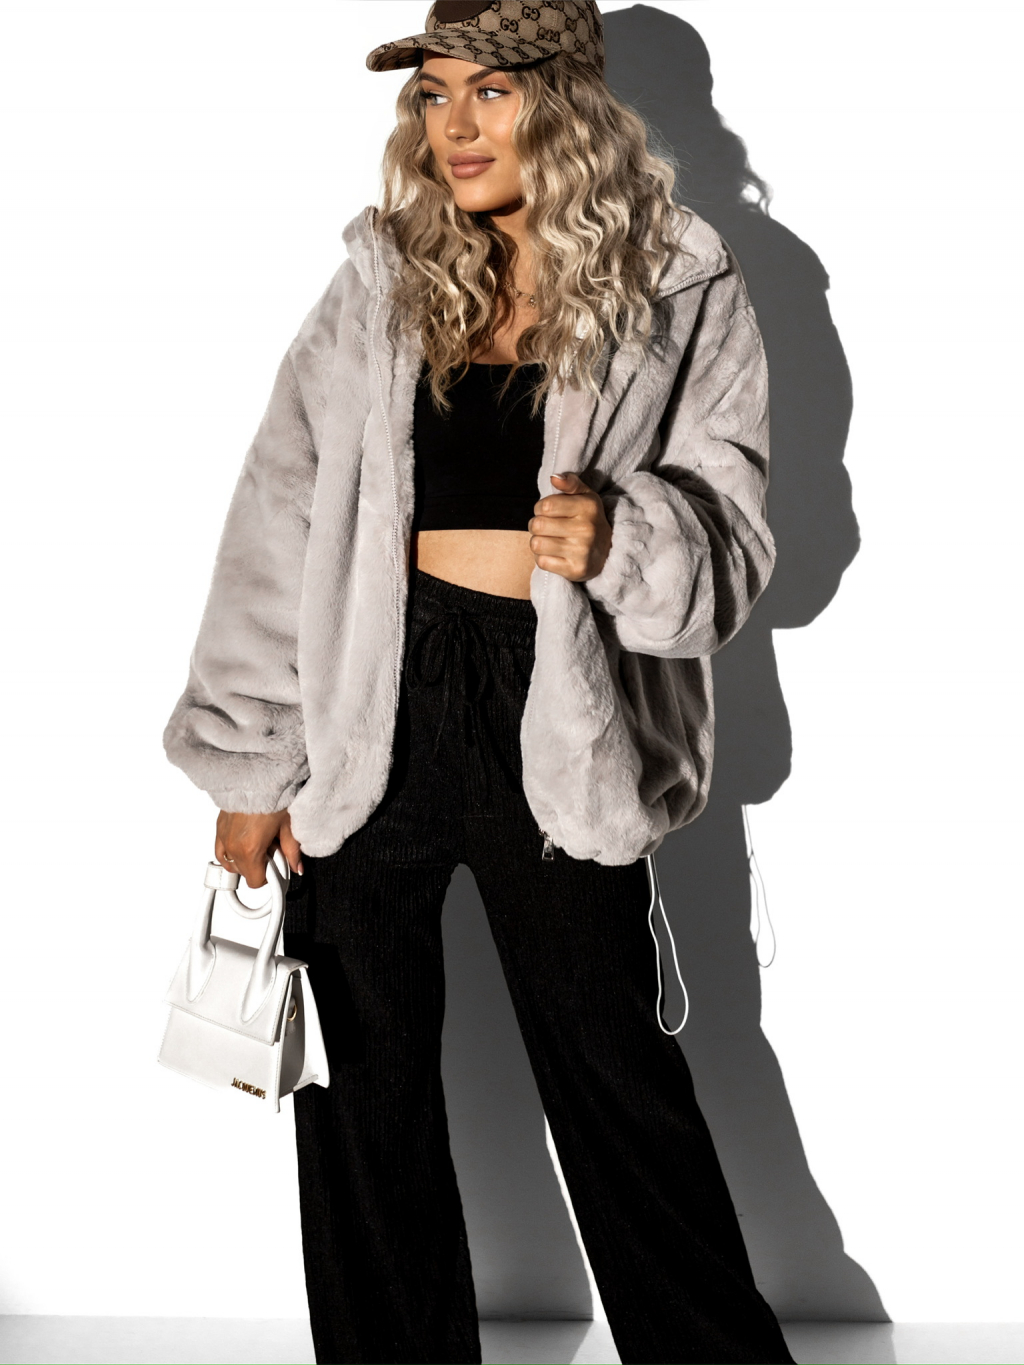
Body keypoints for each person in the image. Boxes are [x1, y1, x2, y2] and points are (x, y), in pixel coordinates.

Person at [164, 3, 795, 1361]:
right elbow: (281, 511)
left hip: (559, 710)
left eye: (490, 92)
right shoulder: (383, 280)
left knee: (615, 1075)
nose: (452, 125)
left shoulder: (680, 282)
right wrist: (252, 760)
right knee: (361, 1091)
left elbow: (737, 532)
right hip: (370, 701)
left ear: (564, 104)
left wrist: (626, 535)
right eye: (434, 93)